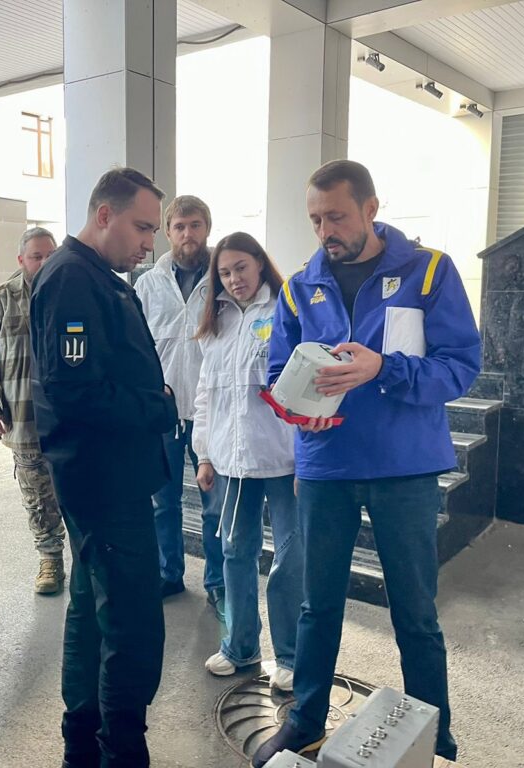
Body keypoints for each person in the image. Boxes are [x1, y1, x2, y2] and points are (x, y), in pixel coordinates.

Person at [252, 160, 480, 766]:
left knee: (415, 610)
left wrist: (385, 368)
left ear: (371, 209)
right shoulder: (302, 286)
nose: (326, 229)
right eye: (316, 219)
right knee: (317, 603)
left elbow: (461, 366)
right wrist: (303, 412)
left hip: (405, 467)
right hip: (327, 464)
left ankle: (434, 731)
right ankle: (303, 722)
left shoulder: (429, 272)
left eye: (337, 215)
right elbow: (278, 373)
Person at [30, 167, 177, 767]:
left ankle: (82, 742)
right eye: (143, 227)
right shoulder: (71, 281)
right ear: (103, 215)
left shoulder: (97, 277)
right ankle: (121, 748)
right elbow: (75, 391)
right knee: (133, 622)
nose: (150, 243)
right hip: (102, 481)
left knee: (93, 610)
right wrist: (157, 404)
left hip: (112, 475)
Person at [192, 232, 300, 692]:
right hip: (232, 460)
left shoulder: (285, 313)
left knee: (290, 558)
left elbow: (305, 386)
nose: (233, 279)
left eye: (241, 268)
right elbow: (205, 394)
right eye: (224, 271)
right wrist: (204, 453)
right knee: (236, 552)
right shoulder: (216, 321)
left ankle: (291, 655)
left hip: (285, 459)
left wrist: (307, 459)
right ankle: (240, 647)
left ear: (259, 264)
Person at [133, 195, 225, 617]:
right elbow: (137, 348)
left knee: (214, 504)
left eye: (196, 225)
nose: (188, 234)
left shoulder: (224, 277)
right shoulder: (147, 284)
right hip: (163, 412)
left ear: (207, 228)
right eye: (180, 227)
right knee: (161, 501)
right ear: (167, 232)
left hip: (212, 411)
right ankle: (168, 573)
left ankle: (217, 581)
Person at [0, 226, 67, 594]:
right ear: (21, 260)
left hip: (70, 420)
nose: (43, 262)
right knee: (38, 496)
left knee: (75, 493)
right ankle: (50, 560)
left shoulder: (71, 294)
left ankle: (87, 561)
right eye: (36, 256)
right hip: (23, 420)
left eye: (49, 255)